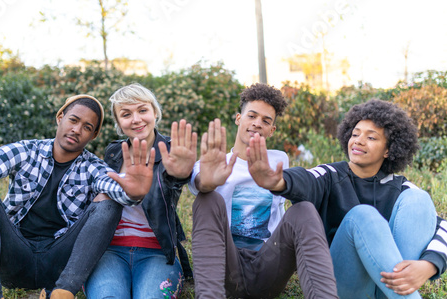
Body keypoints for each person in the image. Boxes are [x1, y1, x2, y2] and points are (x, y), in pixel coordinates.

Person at [0, 94, 156, 299]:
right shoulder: (26, 151)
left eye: (87, 127)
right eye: (73, 120)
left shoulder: (93, 167)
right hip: (12, 256)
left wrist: (133, 192)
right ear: (60, 118)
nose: (76, 130)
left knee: (108, 201)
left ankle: (63, 292)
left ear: (93, 136)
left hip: (61, 263)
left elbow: (113, 187)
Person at [247, 99, 447, 298]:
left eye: (371, 138)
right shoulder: (331, 174)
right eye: (355, 134)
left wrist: (429, 265)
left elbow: (441, 227)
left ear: (389, 150)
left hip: (383, 287)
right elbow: (306, 179)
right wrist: (279, 181)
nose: (359, 141)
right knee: (363, 215)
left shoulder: (401, 189)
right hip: (342, 283)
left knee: (419, 199)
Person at [188, 83, 338, 299]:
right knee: (207, 199)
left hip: (267, 268)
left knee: (303, 209)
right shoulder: (215, 163)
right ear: (239, 118)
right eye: (252, 116)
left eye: (266, 121)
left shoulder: (279, 161)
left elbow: (301, 190)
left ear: (272, 130)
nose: (257, 124)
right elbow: (199, 183)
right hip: (225, 269)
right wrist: (207, 183)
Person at [84, 83, 196, 299]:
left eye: (142, 110)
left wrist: (181, 175)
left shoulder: (172, 150)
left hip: (157, 252)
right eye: (126, 114)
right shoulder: (114, 152)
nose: (136, 119)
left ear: (154, 112)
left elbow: (178, 180)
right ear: (119, 122)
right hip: (109, 250)